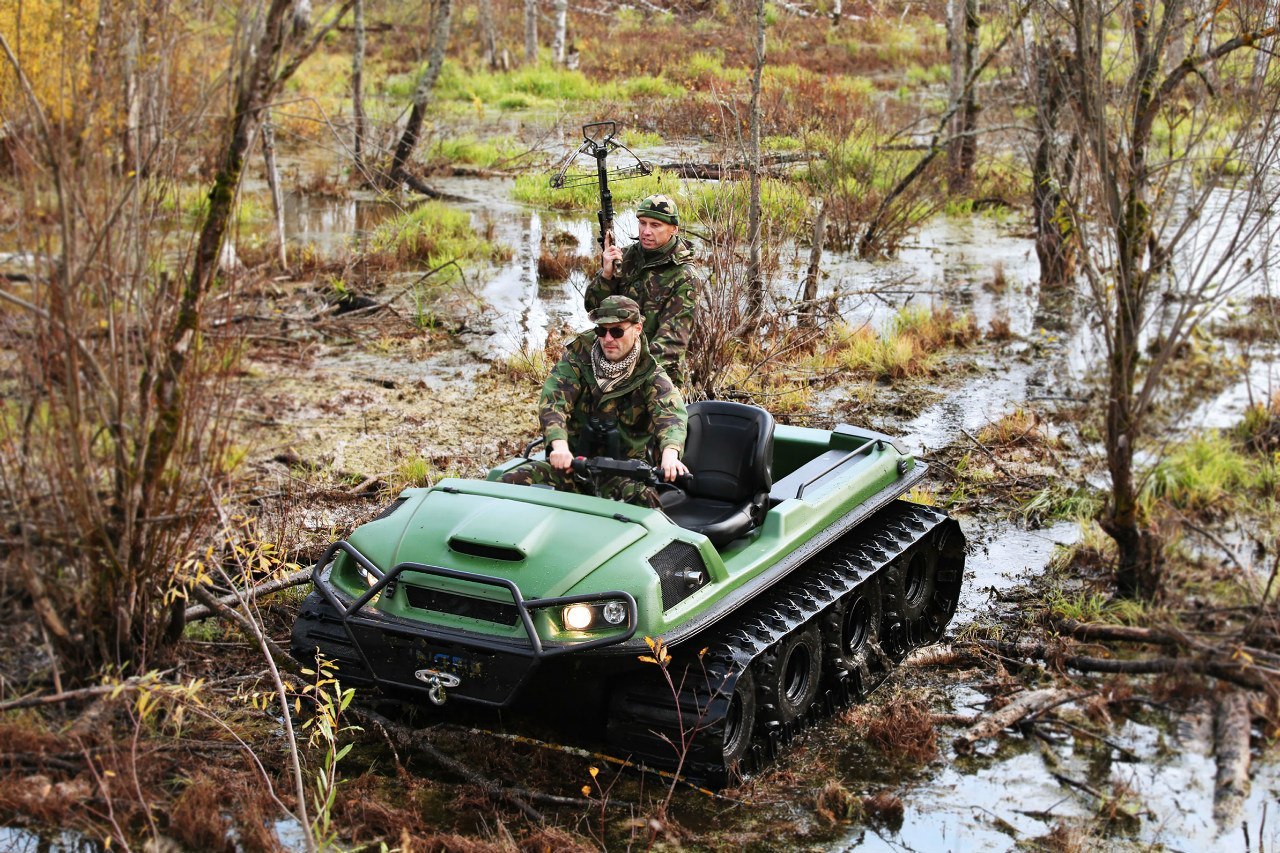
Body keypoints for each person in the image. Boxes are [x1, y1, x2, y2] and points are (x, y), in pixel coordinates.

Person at [502, 295, 689, 507]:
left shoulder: (651, 375)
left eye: (617, 331)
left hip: (622, 473)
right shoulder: (578, 358)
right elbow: (554, 400)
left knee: (646, 504)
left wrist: (670, 455)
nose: (608, 339)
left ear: (637, 329)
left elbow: (671, 416)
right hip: (572, 466)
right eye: (602, 330)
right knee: (508, 483)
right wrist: (559, 446)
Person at [586, 194, 699, 388]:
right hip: (613, 365)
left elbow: (670, 344)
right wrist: (606, 276)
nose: (646, 231)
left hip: (656, 376)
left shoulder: (684, 275)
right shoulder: (626, 258)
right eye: (642, 223)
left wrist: (631, 378)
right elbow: (593, 309)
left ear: (673, 229)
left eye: (655, 225)